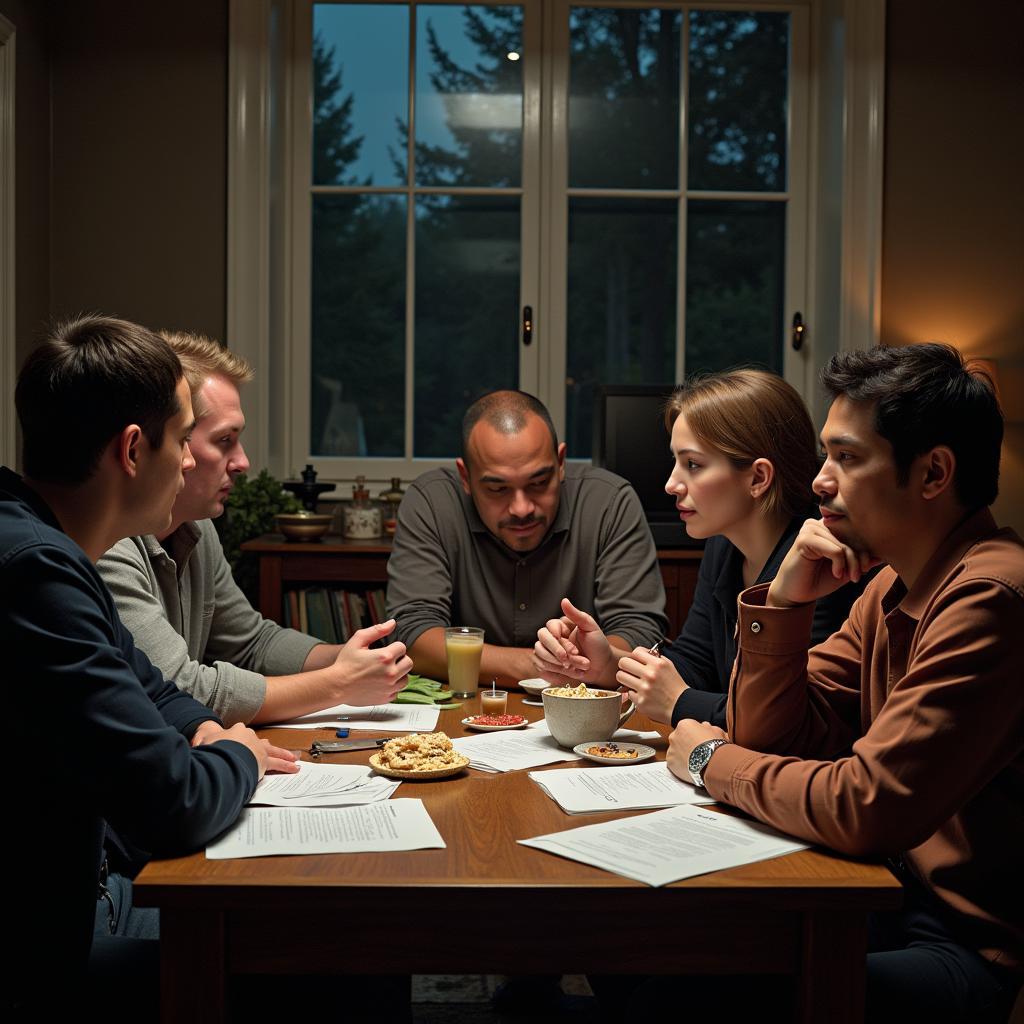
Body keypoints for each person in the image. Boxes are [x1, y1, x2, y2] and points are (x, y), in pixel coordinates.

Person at [669, 344, 1022, 1021]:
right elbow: (775, 736)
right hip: (876, 890)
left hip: (962, 945)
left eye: (848, 458)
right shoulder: (892, 581)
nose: (821, 481)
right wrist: (787, 604)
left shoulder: (990, 597)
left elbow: (865, 805)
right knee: (661, 954)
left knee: (680, 999)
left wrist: (709, 760)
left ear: (933, 473)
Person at [4, 316, 293, 1019]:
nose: (193, 464)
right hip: (44, 955)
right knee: (329, 967)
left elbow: (156, 690)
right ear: (133, 450)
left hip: (92, 890)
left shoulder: (52, 546)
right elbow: (175, 805)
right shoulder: (34, 573)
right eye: (185, 437)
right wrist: (241, 755)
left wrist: (201, 732)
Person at [98, 331, 412, 726]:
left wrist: (355, 658)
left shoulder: (196, 526)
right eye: (224, 440)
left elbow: (250, 642)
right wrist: (338, 683)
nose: (243, 462)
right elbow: (177, 689)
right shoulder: (106, 543)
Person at [533, 370, 865, 726]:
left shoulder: (818, 560)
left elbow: (794, 717)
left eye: (693, 464)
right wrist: (608, 664)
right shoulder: (724, 542)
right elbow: (696, 662)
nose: (671, 484)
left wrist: (681, 703)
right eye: (676, 462)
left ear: (758, 478)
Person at [386, 389, 668, 688]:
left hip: (585, 711)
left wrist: (581, 660)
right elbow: (412, 634)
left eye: (538, 482)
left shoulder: (610, 502)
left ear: (560, 462)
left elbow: (640, 632)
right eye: (497, 488)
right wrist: (541, 665)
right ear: (465, 478)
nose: (522, 508)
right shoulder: (431, 502)